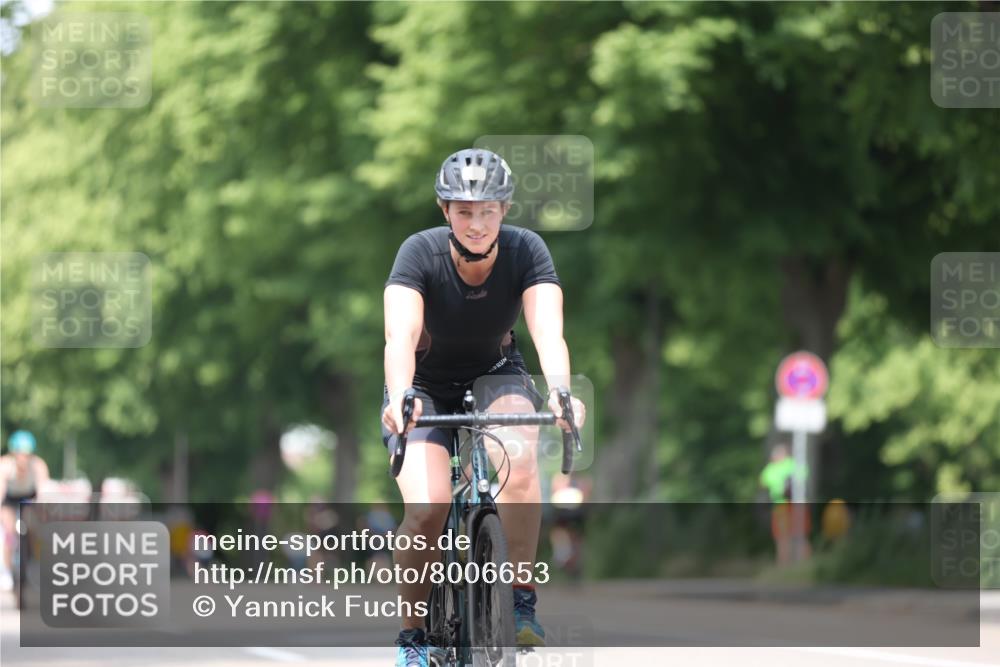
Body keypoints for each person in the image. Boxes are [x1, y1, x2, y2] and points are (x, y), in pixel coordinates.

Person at [381, 148, 586, 667]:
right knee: (427, 509)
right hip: (423, 384)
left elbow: (548, 332)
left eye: (488, 210)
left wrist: (561, 392)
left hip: (496, 373)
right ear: (444, 210)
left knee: (518, 465)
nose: (476, 223)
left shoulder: (527, 250)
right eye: (464, 211)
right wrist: (401, 395)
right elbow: (399, 335)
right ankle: (413, 637)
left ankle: (520, 603)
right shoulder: (417, 252)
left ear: (505, 209)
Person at [0, 430, 51, 591]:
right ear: (14, 454)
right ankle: (6, 571)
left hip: (29, 498)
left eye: (27, 455)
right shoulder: (5, 466)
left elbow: (44, 491)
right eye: (20, 454)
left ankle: (36, 566)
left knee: (35, 528)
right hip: (9, 499)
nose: (24, 458)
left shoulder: (38, 465)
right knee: (9, 529)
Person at [759, 443, 810, 565]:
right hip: (791, 505)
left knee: (787, 537)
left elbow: (762, 483)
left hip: (786, 505)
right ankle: (797, 565)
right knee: (794, 536)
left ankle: (788, 565)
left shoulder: (773, 468)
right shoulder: (791, 464)